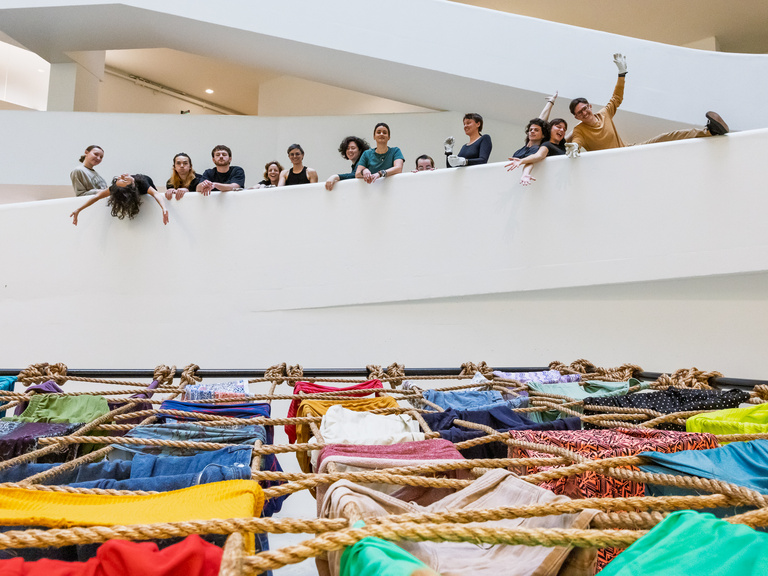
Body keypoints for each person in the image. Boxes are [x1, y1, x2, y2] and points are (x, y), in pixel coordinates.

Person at [567, 53, 729, 157]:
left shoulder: (604, 113)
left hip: (628, 151)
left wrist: (622, 74)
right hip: (611, 163)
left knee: (667, 137)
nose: (584, 113)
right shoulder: (579, 130)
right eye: (579, 113)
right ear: (576, 117)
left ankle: (709, 131)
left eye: (584, 108)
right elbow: (577, 140)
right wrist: (575, 146)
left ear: (589, 106)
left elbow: (616, 97)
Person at [506, 93, 567, 185]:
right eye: (530, 130)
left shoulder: (538, 148)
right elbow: (539, 121)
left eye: (536, 130)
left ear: (543, 135)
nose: (532, 131)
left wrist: (526, 173)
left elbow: (531, 161)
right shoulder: (520, 150)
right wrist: (550, 101)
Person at [70, 174, 169, 225]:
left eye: (121, 179)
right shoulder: (139, 185)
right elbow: (97, 196)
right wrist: (79, 209)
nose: (122, 176)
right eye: (123, 179)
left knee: (150, 198)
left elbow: (156, 194)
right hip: (137, 191)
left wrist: (163, 207)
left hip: (146, 182)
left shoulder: (141, 182)